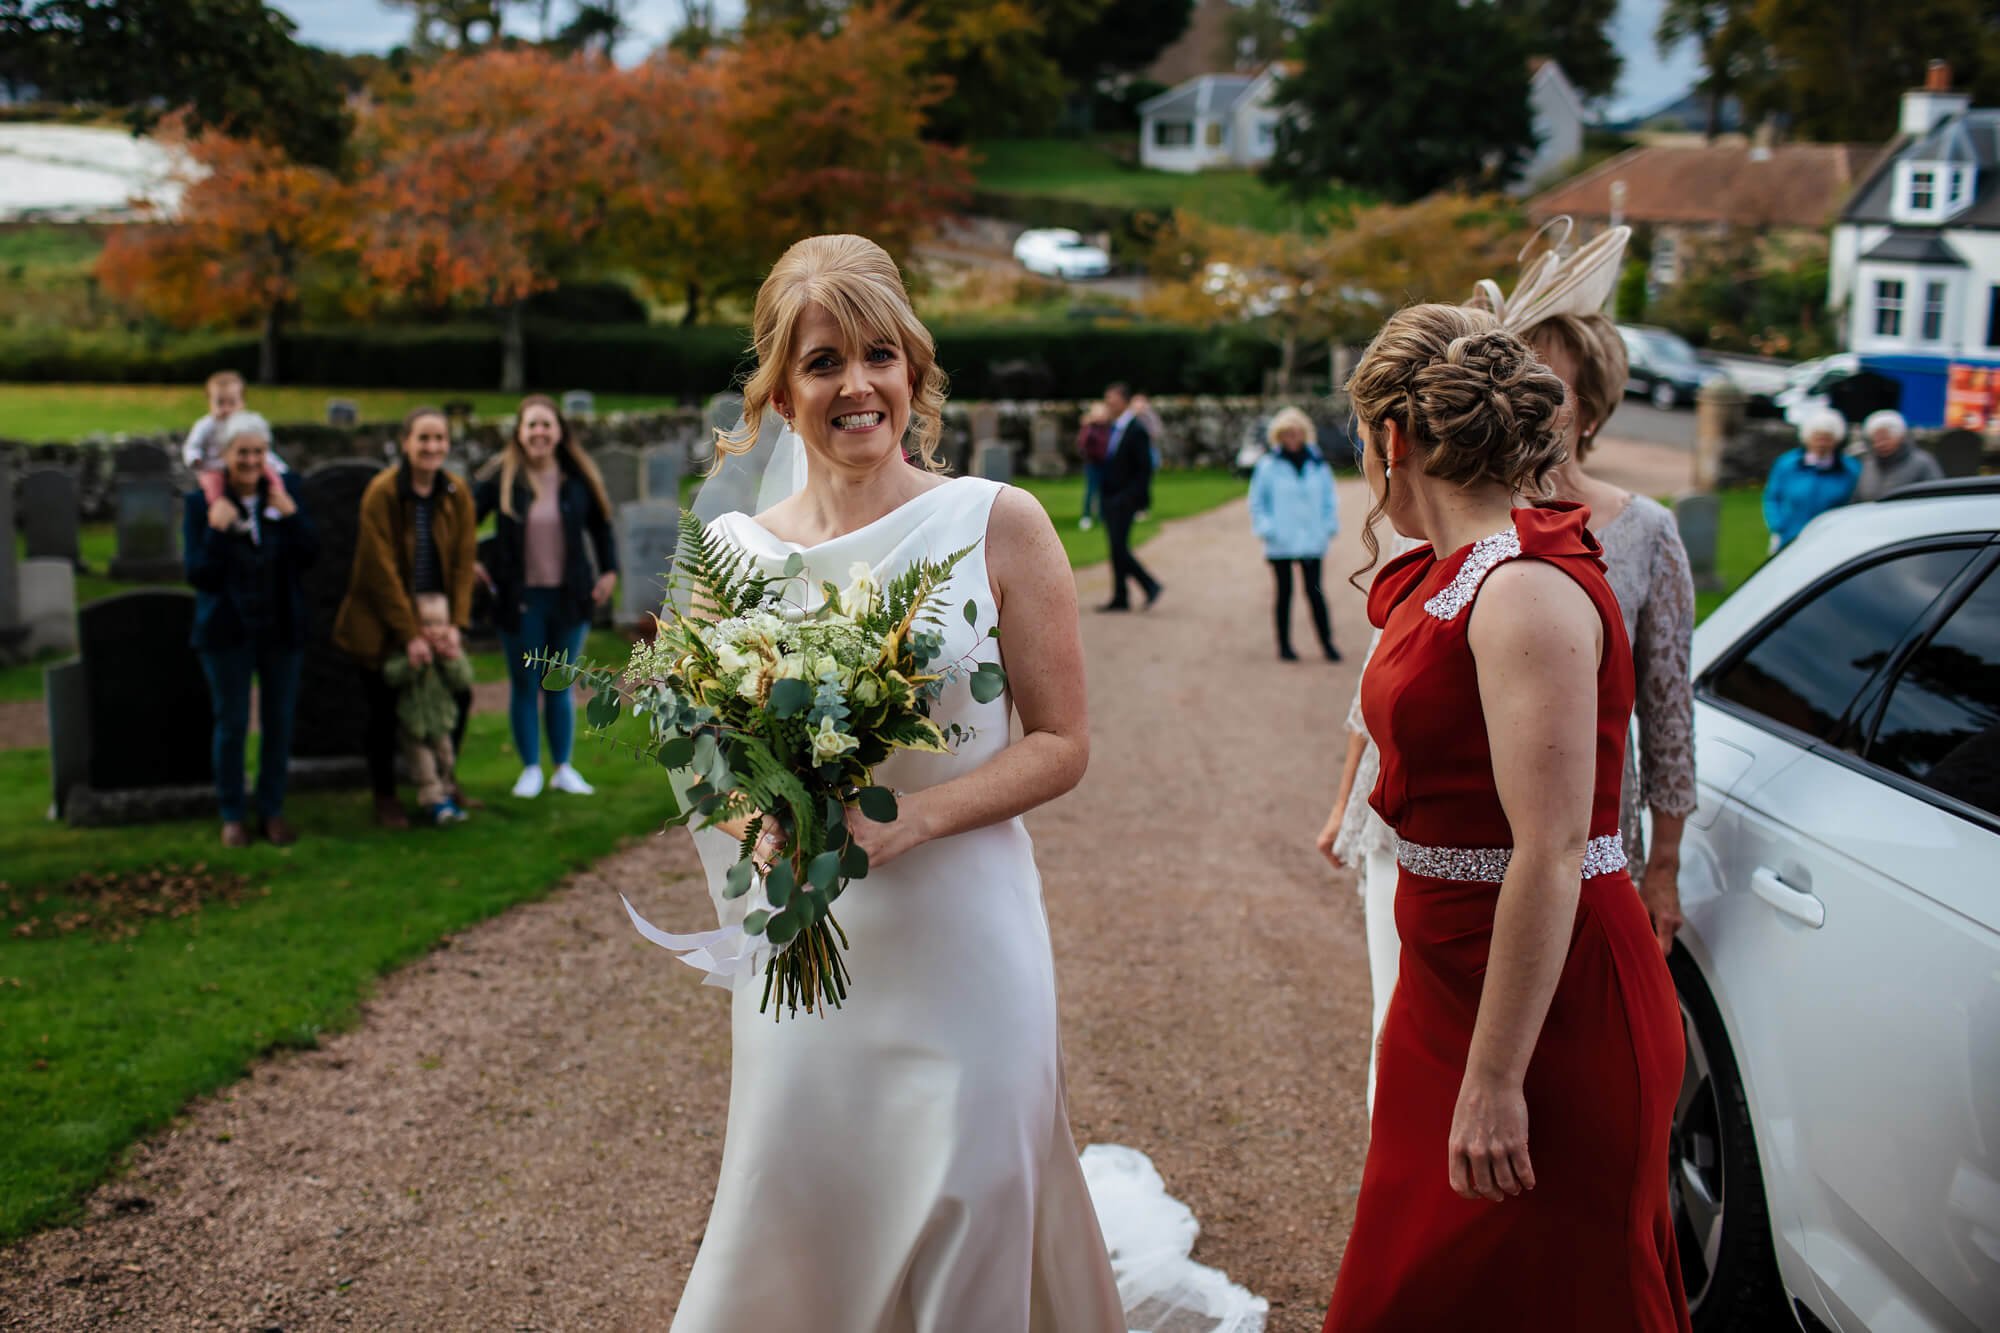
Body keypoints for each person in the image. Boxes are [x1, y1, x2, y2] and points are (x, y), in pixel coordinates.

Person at [666, 233, 1124, 1330]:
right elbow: (698, 746)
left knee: (974, 1182)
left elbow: (1061, 741)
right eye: (822, 361)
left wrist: (915, 818)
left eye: (879, 354)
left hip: (966, 932)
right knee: (807, 1188)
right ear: (778, 389)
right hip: (811, 941)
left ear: (912, 371)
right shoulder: (725, 554)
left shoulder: (995, 522)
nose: (855, 385)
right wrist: (759, 820)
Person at [1321, 303, 1689, 1331]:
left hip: (1546, 1009)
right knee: (1410, 1281)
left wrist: (1493, 1079)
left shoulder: (1523, 591)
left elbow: (1553, 846)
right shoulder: (1451, 573)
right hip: (1445, 981)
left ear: (1389, 439)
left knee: (1537, 1291)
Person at [1523, 312, 1694, 955]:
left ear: (1589, 415)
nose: (1522, 400)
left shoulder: (1648, 532)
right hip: (1477, 843)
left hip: (1597, 840)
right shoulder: (1465, 520)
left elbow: (1669, 711)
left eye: (1546, 386)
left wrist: (1664, 869)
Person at [332, 407, 478, 829]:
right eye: (423, 439)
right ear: (405, 443)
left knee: (460, 696)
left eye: (439, 439)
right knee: (382, 709)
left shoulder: (456, 492)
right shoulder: (382, 493)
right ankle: (386, 796)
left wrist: (455, 626)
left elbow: (465, 564)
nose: (432, 447)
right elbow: (378, 571)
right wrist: (409, 634)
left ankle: (444, 783)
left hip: (438, 615)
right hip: (382, 620)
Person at [182, 412, 318, 848]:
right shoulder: (201, 504)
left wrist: (293, 518)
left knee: (279, 723)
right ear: (224, 456)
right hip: (227, 631)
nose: (251, 460)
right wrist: (218, 532)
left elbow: (310, 556)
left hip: (281, 628)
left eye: (258, 452)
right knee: (233, 722)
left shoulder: (285, 494)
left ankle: (272, 810)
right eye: (242, 452)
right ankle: (232, 813)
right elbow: (199, 574)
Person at [474, 395, 618, 799]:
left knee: (560, 682)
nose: (539, 432)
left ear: (558, 432)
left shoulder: (577, 478)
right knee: (525, 684)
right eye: (531, 425)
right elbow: (460, 517)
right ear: (519, 433)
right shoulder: (501, 479)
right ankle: (531, 769)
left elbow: (601, 525)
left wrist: (609, 570)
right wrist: (467, 563)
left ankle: (563, 768)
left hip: (570, 598)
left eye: (546, 425)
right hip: (519, 600)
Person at [1248, 406, 1341, 661]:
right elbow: (1257, 502)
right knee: (1284, 594)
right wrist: (1268, 529)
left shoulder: (1318, 464)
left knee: (1315, 593)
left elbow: (1329, 499)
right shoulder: (1267, 466)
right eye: (1287, 433)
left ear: (1304, 434)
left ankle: (1327, 643)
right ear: (1279, 435)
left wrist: (1327, 527)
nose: (1292, 438)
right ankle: (1284, 645)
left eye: (1296, 432)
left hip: (1311, 539)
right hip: (1281, 540)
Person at [383, 593, 476, 826]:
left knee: (446, 759)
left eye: (440, 624)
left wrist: (451, 660)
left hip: (441, 722)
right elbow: (391, 675)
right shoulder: (407, 651)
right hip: (413, 723)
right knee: (424, 767)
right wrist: (412, 665)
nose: (434, 631)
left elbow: (464, 680)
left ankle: (445, 797)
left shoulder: (449, 651)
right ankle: (434, 803)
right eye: (427, 624)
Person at [1097, 381, 1162, 612]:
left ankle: (1149, 584)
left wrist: (1130, 497)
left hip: (1125, 499)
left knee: (1119, 548)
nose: (1108, 403)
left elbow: (1144, 469)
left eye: (1111, 398)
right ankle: (1120, 596)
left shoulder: (1136, 430)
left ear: (1124, 400)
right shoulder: (1113, 428)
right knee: (1116, 548)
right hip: (1110, 497)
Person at [182, 370, 289, 510]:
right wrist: (195, 459)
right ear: (209, 402)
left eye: (232, 403)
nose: (226, 409)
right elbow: (192, 445)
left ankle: (276, 504)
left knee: (273, 476)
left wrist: (279, 466)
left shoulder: (248, 424)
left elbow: (262, 448)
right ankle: (219, 509)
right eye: (220, 403)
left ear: (242, 403)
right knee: (212, 486)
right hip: (214, 466)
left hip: (241, 468)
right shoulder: (206, 425)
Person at [1763, 408, 1859, 551]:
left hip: (1829, 538)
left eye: (1827, 439)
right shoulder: (1787, 464)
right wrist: (1778, 526)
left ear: (1836, 440)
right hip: (1790, 536)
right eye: (1817, 437)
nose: (1822, 444)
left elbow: (1854, 503)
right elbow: (1772, 497)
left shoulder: (1849, 468)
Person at [1853, 408, 1944, 501]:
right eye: (1876, 440)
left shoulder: (1922, 463)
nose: (1881, 444)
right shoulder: (1868, 465)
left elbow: (1934, 497)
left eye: (1885, 438)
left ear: (1900, 437)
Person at [1076, 398, 1112, 530]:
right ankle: (1086, 516)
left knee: (1104, 490)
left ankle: (1103, 516)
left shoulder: (1109, 427)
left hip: (1106, 463)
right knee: (1091, 490)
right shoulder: (1090, 428)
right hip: (1093, 463)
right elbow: (1082, 444)